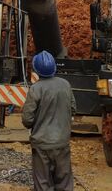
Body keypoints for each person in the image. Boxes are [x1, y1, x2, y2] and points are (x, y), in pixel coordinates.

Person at [22, 50, 76, 191]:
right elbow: (73, 109)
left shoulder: (36, 89)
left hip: (42, 144)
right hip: (62, 142)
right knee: (64, 181)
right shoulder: (65, 84)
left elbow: (27, 119)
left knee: (43, 183)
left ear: (36, 70)